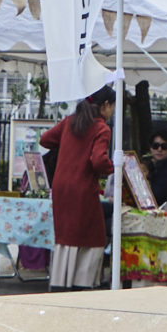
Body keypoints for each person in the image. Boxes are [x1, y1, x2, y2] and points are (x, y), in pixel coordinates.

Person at [40, 86, 116, 290]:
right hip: (82, 187)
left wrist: (66, 148)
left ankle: (60, 281)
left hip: (61, 186)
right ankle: (82, 282)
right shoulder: (102, 128)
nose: (113, 112)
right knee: (93, 234)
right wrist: (114, 166)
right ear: (106, 105)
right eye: (113, 107)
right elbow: (99, 161)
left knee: (65, 233)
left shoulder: (69, 122)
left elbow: (45, 139)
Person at [145, 133, 167, 207]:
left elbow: (156, 195)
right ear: (151, 148)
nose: (159, 149)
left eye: (164, 147)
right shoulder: (151, 166)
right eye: (155, 146)